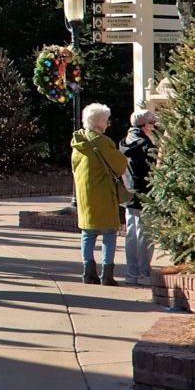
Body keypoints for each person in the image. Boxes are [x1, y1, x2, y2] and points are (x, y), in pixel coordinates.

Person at [72, 103, 127, 285]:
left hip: (85, 195)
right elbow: (119, 165)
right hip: (103, 194)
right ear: (100, 123)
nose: (108, 124)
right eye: (106, 120)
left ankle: (88, 272)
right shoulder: (103, 142)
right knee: (109, 233)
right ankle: (107, 274)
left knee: (88, 233)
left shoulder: (78, 143)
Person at [120, 108, 159, 285]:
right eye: (152, 123)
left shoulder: (125, 141)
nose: (153, 127)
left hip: (129, 191)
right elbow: (152, 169)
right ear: (143, 125)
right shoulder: (145, 145)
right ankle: (144, 272)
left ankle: (131, 271)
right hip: (144, 191)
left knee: (131, 233)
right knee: (145, 233)